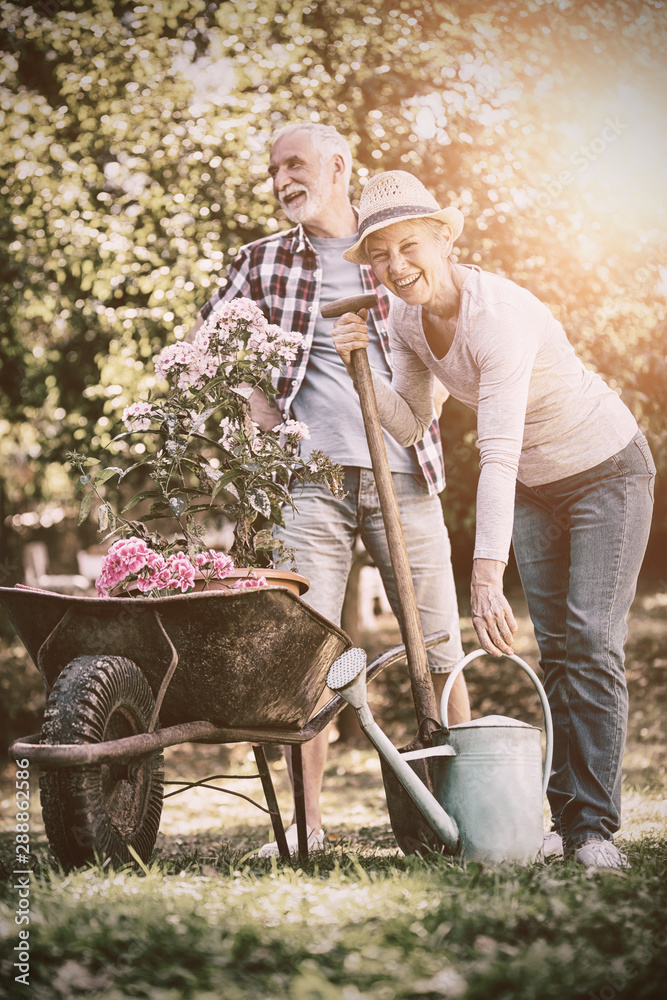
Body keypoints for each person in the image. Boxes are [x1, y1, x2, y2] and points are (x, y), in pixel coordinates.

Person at [331, 169, 655, 870]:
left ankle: (593, 829)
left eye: (408, 245)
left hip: (606, 471)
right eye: (379, 255)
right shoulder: (406, 317)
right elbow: (413, 420)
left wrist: (484, 572)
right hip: (536, 490)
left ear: (444, 238)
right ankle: (566, 816)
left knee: (591, 640)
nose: (395, 266)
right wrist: (361, 363)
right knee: (558, 651)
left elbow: (496, 451)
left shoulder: (496, 317)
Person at [188, 125, 470, 856]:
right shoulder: (258, 263)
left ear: (338, 166)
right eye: (274, 169)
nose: (282, 179)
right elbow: (207, 345)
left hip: (403, 473)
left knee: (436, 642)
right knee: (304, 652)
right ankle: (307, 828)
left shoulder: (394, 254)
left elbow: (446, 330)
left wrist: (432, 396)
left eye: (296, 164)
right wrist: (256, 414)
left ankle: (467, 813)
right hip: (308, 483)